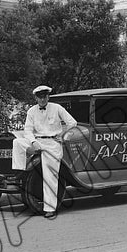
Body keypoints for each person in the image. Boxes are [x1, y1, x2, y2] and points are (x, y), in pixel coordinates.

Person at [12, 85, 77, 219]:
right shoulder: (31, 111)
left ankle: (50, 209)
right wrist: (33, 142)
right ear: (36, 98)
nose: (42, 100)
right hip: (37, 141)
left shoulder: (57, 108)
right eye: (39, 97)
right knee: (17, 142)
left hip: (52, 144)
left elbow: (72, 122)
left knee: (50, 177)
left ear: (48, 97)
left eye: (44, 97)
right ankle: (19, 170)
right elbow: (28, 130)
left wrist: (63, 133)